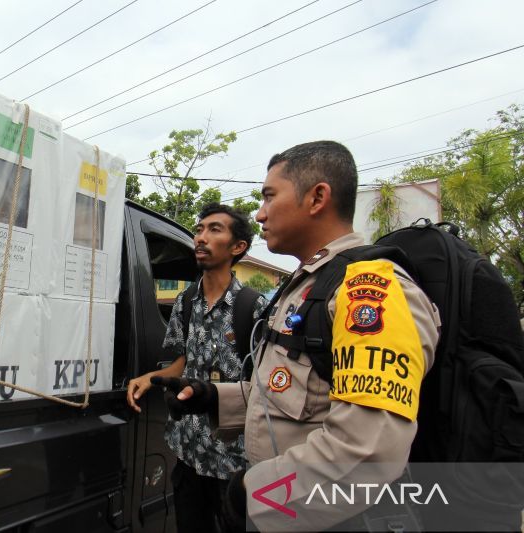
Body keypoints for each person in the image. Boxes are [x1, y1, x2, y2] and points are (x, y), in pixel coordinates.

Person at [153, 141, 440, 531]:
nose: (260, 213)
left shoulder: (369, 291)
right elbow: (290, 393)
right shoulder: (307, 287)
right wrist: (212, 397)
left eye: (270, 196)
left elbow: (368, 451)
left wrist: (256, 496)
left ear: (317, 197)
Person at [127, 203, 267, 533]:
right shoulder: (186, 301)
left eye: (214, 229)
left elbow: (266, 386)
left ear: (238, 247)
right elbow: (184, 360)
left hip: (234, 465)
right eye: (199, 229)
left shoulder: (254, 306)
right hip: (189, 453)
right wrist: (150, 378)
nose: (201, 237)